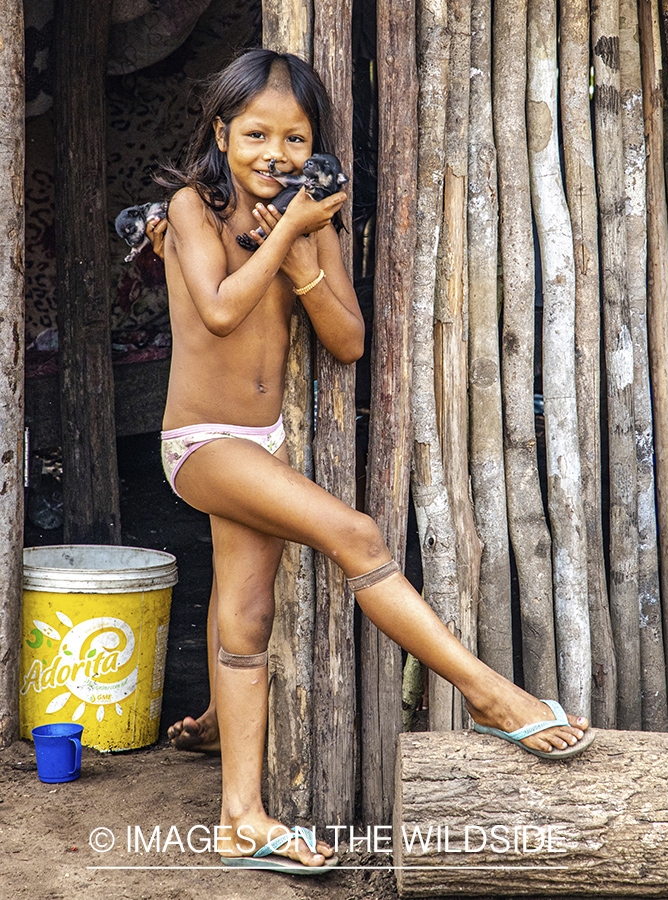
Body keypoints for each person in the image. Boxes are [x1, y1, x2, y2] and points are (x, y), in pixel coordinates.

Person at [150, 48, 593, 874]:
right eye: (253, 135)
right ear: (221, 132)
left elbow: (347, 343)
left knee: (245, 626)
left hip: (261, 445)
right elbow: (215, 314)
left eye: (292, 137)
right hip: (201, 444)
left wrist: (309, 254)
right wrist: (287, 230)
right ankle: (490, 695)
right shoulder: (190, 210)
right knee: (355, 534)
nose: (272, 155)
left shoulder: (307, 222)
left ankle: (240, 818)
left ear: (311, 142)